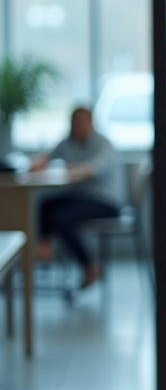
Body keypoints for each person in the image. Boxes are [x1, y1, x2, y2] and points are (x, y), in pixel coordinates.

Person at [32, 106, 121, 289]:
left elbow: (92, 169)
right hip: (81, 196)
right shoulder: (68, 142)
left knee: (62, 218)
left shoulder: (103, 144)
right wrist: (39, 163)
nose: (78, 126)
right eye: (75, 122)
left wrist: (69, 168)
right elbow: (47, 157)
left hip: (106, 200)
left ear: (91, 123)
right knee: (46, 203)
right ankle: (44, 248)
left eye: (83, 122)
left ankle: (89, 266)